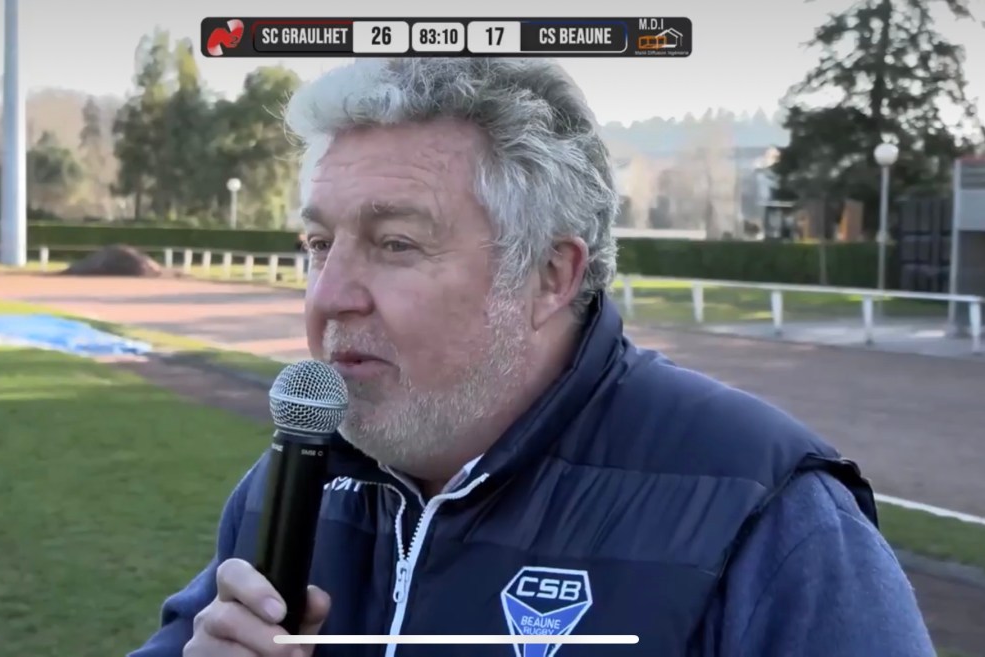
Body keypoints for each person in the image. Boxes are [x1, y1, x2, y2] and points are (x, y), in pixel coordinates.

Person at [129, 57, 935, 657]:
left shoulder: (764, 514)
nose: (328, 294)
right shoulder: (291, 486)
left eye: (395, 242)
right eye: (317, 244)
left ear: (550, 274)